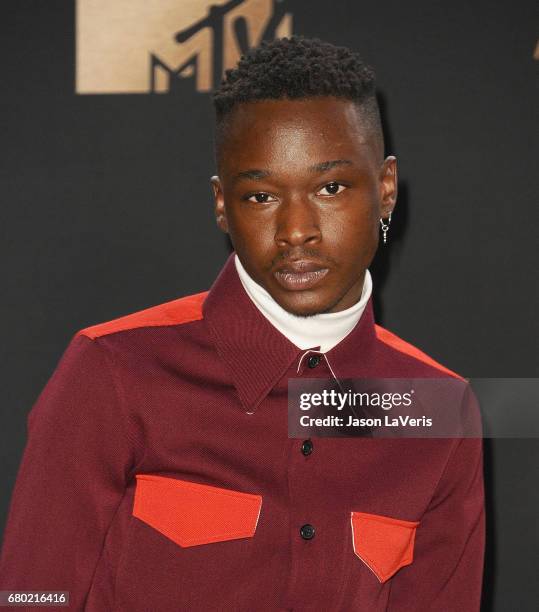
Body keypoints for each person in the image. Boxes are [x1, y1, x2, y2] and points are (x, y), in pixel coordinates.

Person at [0, 35, 485, 611]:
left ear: (383, 191)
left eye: (331, 187)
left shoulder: (437, 408)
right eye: (260, 196)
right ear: (222, 205)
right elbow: (31, 597)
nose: (296, 229)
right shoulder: (114, 370)